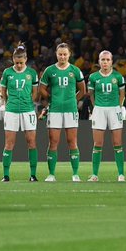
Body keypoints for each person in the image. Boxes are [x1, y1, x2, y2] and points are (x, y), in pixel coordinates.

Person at [39, 41, 86, 182]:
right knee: (53, 141)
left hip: (70, 109)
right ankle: (51, 174)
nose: (62, 57)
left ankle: (75, 174)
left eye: (65, 54)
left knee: (72, 141)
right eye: (60, 54)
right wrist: (51, 98)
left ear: (69, 55)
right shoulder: (50, 70)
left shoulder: (75, 70)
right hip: (55, 110)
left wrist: (72, 100)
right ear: (56, 54)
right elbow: (42, 89)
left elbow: (83, 90)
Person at [0, 45, 40, 182]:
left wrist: (29, 103)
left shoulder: (32, 73)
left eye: (21, 62)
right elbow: (3, 91)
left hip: (28, 111)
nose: (19, 65)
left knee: (31, 142)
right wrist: (7, 103)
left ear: (26, 59)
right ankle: (6, 175)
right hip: (11, 111)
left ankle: (33, 174)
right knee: (9, 143)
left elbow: (35, 93)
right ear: (13, 59)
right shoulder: (7, 73)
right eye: (16, 62)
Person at [86, 50, 126, 182]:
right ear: (99, 61)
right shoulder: (93, 77)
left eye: (108, 60)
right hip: (99, 109)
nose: (105, 62)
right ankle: (95, 174)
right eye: (103, 60)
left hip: (114, 109)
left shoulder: (118, 77)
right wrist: (96, 106)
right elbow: (91, 94)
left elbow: (122, 94)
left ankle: (121, 174)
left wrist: (119, 107)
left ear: (111, 61)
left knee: (117, 143)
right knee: (97, 143)